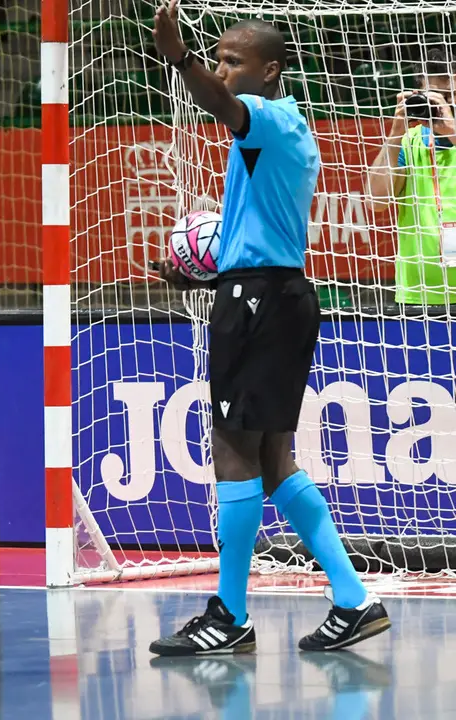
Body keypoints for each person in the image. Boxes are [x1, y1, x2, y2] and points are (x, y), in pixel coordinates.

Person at [148, 1, 389, 655]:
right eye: (218, 58)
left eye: (234, 61)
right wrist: (213, 276)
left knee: (231, 446)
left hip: (259, 301)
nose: (223, 70)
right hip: (270, 292)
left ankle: (229, 615)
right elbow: (268, 233)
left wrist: (179, 55)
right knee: (275, 459)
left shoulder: (269, 121)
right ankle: (354, 599)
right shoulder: (284, 132)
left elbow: (221, 107)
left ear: (270, 70)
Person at [365, 47, 456, 306]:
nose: (447, 104)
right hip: (419, 294)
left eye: (453, 96)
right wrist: (395, 133)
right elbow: (376, 201)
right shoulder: (409, 142)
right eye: (439, 96)